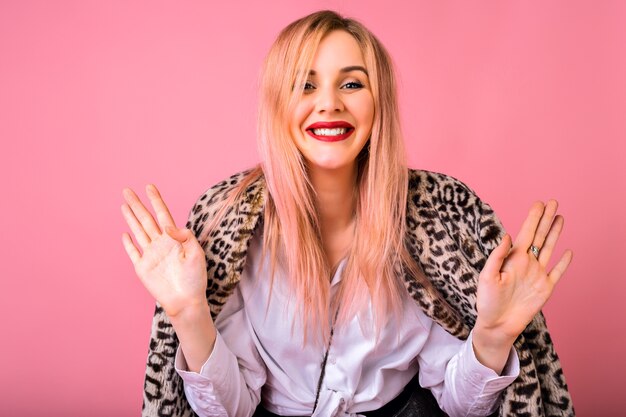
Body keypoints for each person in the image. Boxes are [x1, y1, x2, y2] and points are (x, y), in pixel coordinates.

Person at [121, 10, 574, 417]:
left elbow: (457, 407)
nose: (330, 102)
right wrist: (188, 313)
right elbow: (230, 411)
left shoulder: (438, 218)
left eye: (352, 83)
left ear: (379, 104)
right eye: (306, 84)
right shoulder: (231, 224)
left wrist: (493, 334)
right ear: (278, 102)